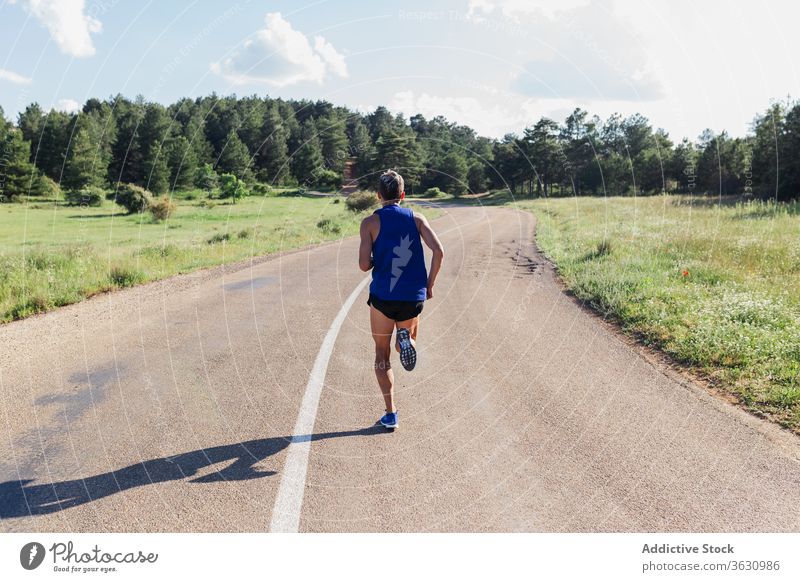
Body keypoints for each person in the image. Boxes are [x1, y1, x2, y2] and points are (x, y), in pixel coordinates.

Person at [358, 170, 444, 430]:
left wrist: (378, 259)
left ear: (378, 196)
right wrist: (429, 285)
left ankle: (391, 413)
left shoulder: (369, 223)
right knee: (403, 340)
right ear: (403, 195)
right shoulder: (417, 219)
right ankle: (407, 340)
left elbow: (363, 265)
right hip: (411, 297)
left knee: (381, 355)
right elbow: (439, 251)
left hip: (383, 297)